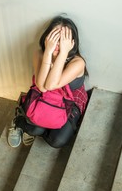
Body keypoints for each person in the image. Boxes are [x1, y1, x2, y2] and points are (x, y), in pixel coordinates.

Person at [8, 15, 88, 148]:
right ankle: (20, 122)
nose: (58, 44)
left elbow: (51, 84)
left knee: (57, 141)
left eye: (63, 40)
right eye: (55, 38)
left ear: (71, 42)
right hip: (44, 96)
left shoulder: (78, 62)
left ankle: (43, 126)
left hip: (70, 101)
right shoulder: (40, 54)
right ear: (48, 37)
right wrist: (48, 52)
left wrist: (63, 53)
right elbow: (43, 87)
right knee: (35, 129)